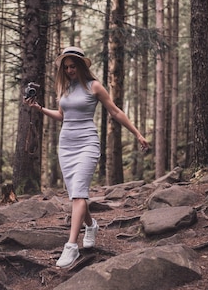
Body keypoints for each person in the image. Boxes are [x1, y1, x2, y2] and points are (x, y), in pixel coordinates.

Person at [26, 46, 150, 268]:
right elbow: (62, 116)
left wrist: (137, 133)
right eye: (66, 67)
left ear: (82, 65)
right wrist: (40, 109)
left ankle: (71, 246)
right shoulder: (63, 88)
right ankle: (91, 226)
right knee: (76, 193)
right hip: (66, 145)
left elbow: (115, 112)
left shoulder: (94, 87)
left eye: (73, 66)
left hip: (87, 143)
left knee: (78, 194)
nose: (70, 70)